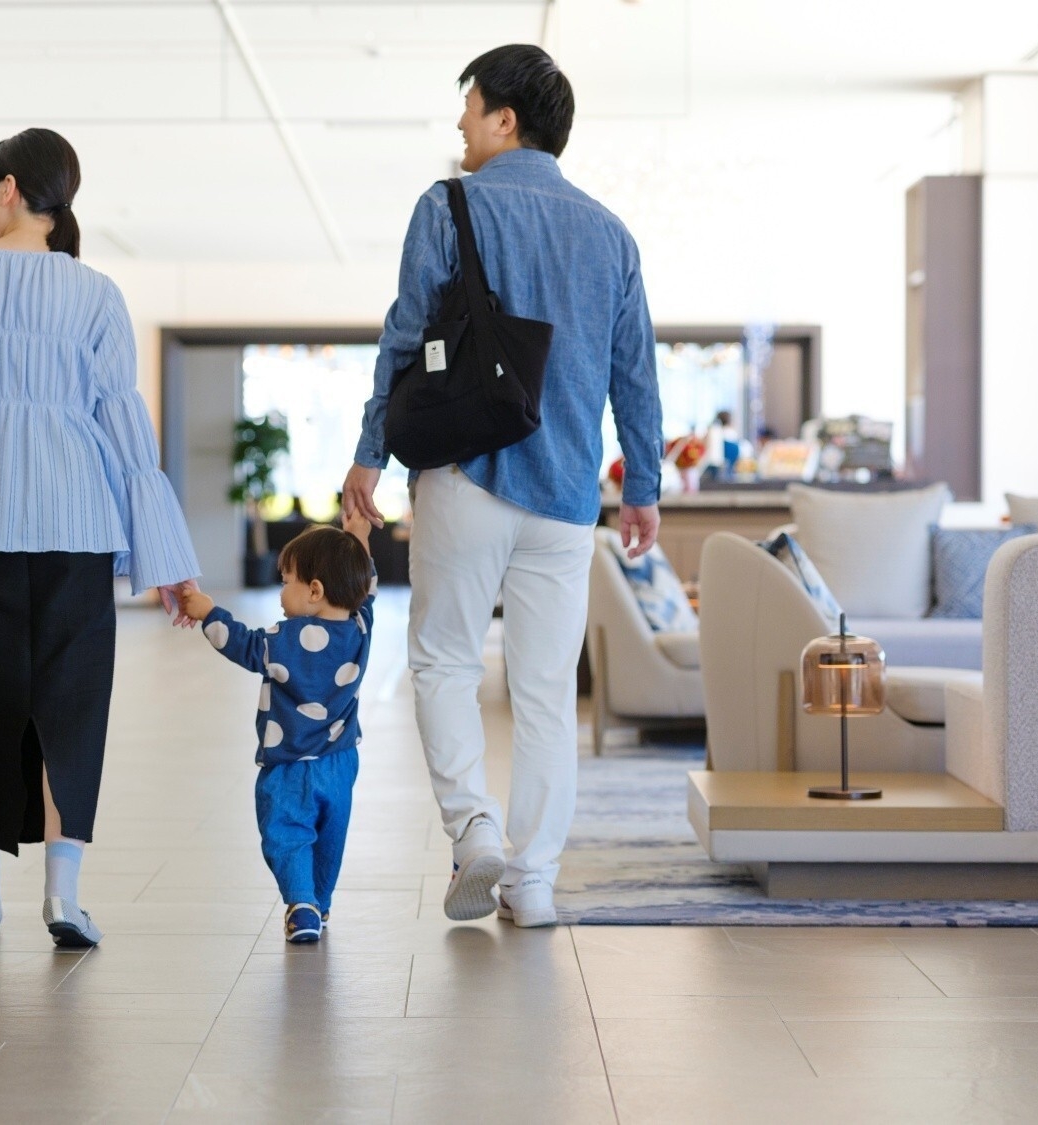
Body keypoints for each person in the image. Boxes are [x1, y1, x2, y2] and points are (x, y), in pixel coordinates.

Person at [342, 45, 663, 928]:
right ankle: (534, 880)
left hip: (465, 474)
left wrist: (371, 451)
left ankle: (474, 828)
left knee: (444, 660)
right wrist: (642, 483)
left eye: (471, 106)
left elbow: (405, 334)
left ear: (505, 119)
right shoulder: (611, 234)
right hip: (565, 496)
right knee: (546, 690)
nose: (461, 123)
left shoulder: (449, 205)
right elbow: (635, 371)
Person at [0, 127, 201, 950]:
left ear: (9, 187)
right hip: (75, 521)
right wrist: (166, 557)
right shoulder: (95, 294)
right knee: (71, 704)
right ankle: (63, 896)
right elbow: (122, 425)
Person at [176, 513, 377, 945]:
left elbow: (242, 644)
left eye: (286, 582)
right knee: (330, 838)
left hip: (288, 764)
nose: (281, 592)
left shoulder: (283, 640)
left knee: (286, 835)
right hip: (340, 764)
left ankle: (301, 903)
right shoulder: (360, 630)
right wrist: (359, 538)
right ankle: (319, 903)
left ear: (315, 591)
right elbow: (368, 591)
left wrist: (207, 610)